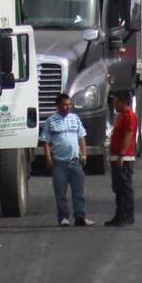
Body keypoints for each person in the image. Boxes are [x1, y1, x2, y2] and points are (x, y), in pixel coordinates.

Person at [41, 93, 92, 227]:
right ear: (58, 106)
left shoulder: (75, 119)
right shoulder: (51, 121)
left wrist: (84, 154)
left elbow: (82, 138)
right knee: (60, 193)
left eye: (69, 105)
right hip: (59, 163)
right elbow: (45, 141)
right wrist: (48, 158)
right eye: (64, 105)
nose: (67, 107)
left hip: (75, 161)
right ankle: (63, 217)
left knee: (78, 192)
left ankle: (80, 217)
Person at [105, 91, 138, 227]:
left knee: (125, 187)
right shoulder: (121, 116)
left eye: (117, 102)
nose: (115, 105)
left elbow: (129, 135)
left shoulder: (129, 116)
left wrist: (122, 155)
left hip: (124, 158)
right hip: (116, 156)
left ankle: (127, 215)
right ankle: (119, 215)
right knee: (118, 187)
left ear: (124, 102)